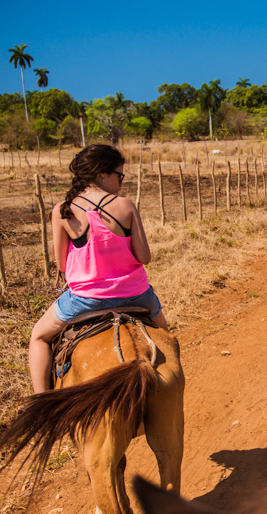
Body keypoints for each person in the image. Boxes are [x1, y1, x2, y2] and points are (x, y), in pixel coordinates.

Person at [28, 144, 168, 394]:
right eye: (119, 175)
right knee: (167, 339)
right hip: (136, 295)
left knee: (38, 337)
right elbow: (144, 257)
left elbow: (60, 264)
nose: (121, 182)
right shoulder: (125, 205)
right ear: (102, 174)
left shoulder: (63, 210)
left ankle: (41, 404)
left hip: (85, 301)